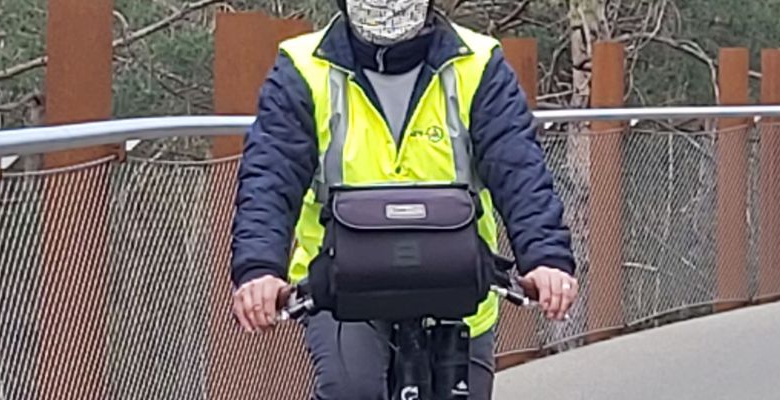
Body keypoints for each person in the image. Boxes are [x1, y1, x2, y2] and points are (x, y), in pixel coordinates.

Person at [226, 0, 580, 399]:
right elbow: (271, 175)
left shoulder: (478, 63)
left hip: (455, 279)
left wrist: (545, 257)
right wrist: (259, 268)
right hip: (343, 285)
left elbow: (519, 168)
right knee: (351, 388)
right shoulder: (304, 67)